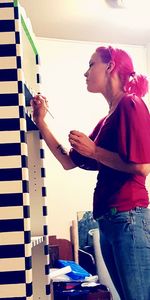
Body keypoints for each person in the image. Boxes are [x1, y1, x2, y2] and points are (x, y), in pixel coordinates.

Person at [31, 45, 150, 300]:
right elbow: (69, 161)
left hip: (128, 218)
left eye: (91, 64)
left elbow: (142, 167)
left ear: (110, 67)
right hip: (110, 221)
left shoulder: (132, 104)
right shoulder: (106, 119)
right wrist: (41, 122)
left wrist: (95, 151)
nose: (86, 73)